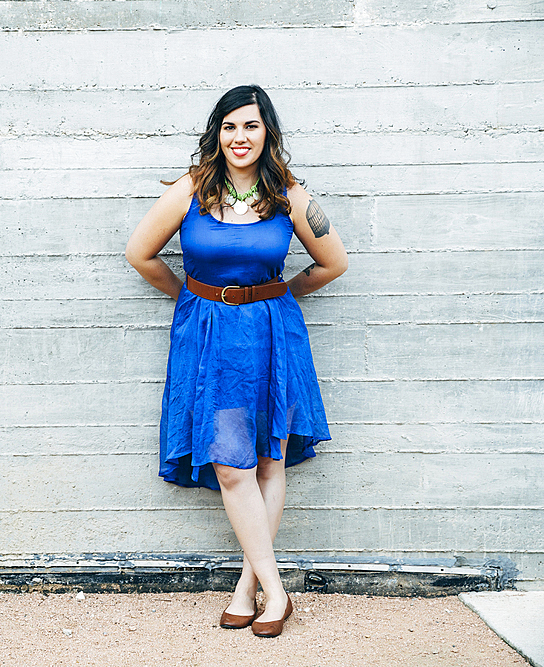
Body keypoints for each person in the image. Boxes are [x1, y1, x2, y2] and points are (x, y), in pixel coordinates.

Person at [125, 84, 348, 637]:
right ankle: (277, 592)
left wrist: (281, 295)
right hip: (209, 338)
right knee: (231, 465)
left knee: (270, 458)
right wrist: (191, 298)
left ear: (266, 131)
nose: (239, 137)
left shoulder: (292, 196)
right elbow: (140, 254)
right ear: (216, 133)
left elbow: (332, 263)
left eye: (250, 125)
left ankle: (249, 588)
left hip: (273, 333)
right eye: (229, 127)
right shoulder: (190, 189)